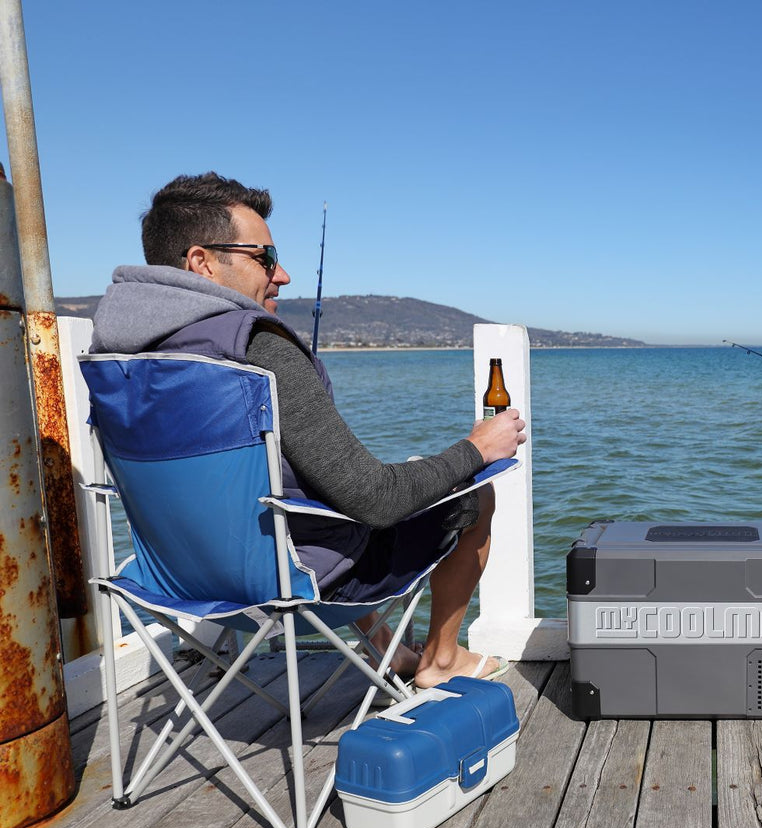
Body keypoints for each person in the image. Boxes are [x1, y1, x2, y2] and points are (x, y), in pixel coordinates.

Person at [90, 172, 525, 689]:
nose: (284, 275)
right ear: (201, 262)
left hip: (173, 585)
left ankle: (386, 648)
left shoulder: (116, 361)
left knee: (320, 494)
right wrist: (477, 448)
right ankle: (441, 659)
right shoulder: (256, 349)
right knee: (474, 497)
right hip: (290, 587)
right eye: (266, 259)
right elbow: (376, 500)